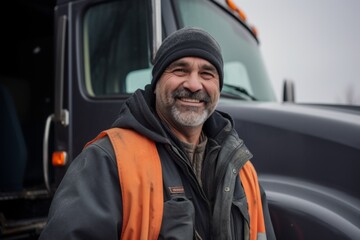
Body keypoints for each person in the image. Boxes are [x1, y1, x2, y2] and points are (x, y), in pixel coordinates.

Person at [39, 27, 276, 240]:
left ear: (218, 87)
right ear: (157, 82)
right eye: (180, 70)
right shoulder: (108, 160)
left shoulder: (243, 172)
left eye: (207, 73)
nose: (194, 84)